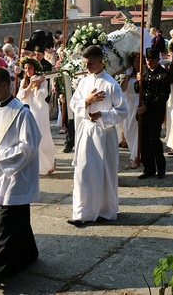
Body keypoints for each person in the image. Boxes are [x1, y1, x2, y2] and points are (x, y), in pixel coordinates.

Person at [0, 67, 41, 288]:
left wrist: (0, 155)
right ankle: (28, 253)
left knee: (6, 224)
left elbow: (29, 147)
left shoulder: (22, 112)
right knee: (16, 218)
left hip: (16, 175)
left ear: (5, 85)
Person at [68, 46, 127, 225]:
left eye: (91, 64)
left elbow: (122, 111)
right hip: (87, 131)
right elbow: (74, 103)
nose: (87, 68)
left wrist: (103, 115)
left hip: (104, 133)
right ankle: (82, 212)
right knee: (83, 172)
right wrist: (87, 102)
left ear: (101, 61)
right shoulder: (84, 82)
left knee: (105, 172)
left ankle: (106, 210)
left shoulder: (111, 84)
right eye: (85, 64)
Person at [16, 57, 58, 175]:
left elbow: (43, 95)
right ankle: (33, 164)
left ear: (34, 69)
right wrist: (30, 85)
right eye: (26, 68)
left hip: (39, 110)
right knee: (29, 137)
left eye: (30, 68)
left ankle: (48, 163)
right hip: (28, 109)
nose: (28, 70)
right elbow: (21, 96)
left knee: (41, 136)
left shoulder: (42, 80)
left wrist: (37, 84)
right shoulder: (24, 82)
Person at [135, 47, 171, 179]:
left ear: (157, 60)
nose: (149, 63)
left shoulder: (164, 74)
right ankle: (148, 168)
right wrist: (138, 81)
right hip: (143, 113)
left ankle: (160, 167)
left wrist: (148, 107)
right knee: (143, 141)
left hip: (155, 113)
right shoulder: (144, 73)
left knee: (153, 140)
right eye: (147, 60)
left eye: (151, 60)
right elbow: (138, 91)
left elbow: (163, 96)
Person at [120, 51, 141, 169]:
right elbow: (123, 89)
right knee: (128, 131)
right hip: (129, 103)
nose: (137, 63)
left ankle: (135, 157)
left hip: (139, 103)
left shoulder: (145, 73)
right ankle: (136, 154)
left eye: (138, 61)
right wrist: (127, 76)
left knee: (138, 130)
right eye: (134, 61)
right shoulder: (129, 74)